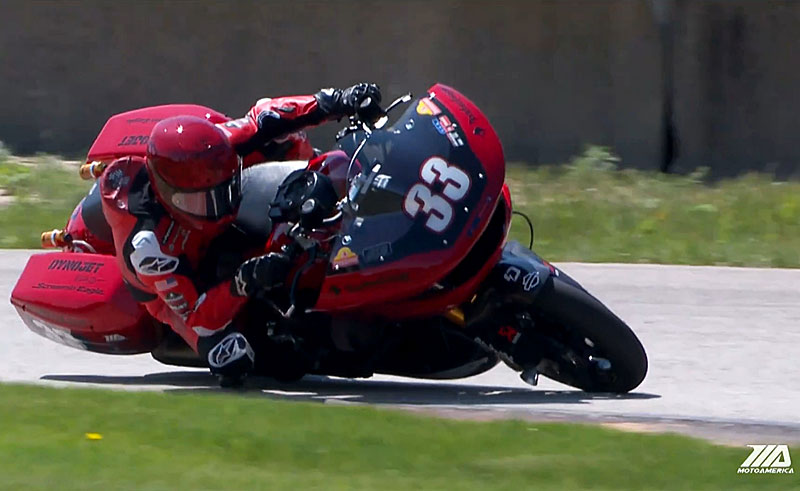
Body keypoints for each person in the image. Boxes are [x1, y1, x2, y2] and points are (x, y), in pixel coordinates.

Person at [99, 83, 381, 385]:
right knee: (230, 356)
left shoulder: (216, 150)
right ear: (167, 197)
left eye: (223, 194)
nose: (219, 209)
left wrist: (335, 101)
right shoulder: (150, 249)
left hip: (208, 226)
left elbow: (266, 116)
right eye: (203, 202)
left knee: (288, 140)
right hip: (180, 286)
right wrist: (243, 282)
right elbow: (199, 317)